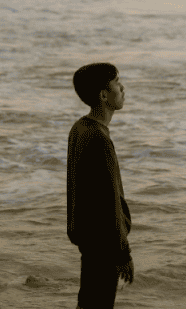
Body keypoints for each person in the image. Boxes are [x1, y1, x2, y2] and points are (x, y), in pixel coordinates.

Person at [67, 62, 133, 309]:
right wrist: (124, 254)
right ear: (104, 95)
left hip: (90, 242)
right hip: (104, 247)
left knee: (88, 304)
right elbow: (110, 203)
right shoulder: (98, 139)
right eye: (117, 83)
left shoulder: (80, 129)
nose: (123, 87)